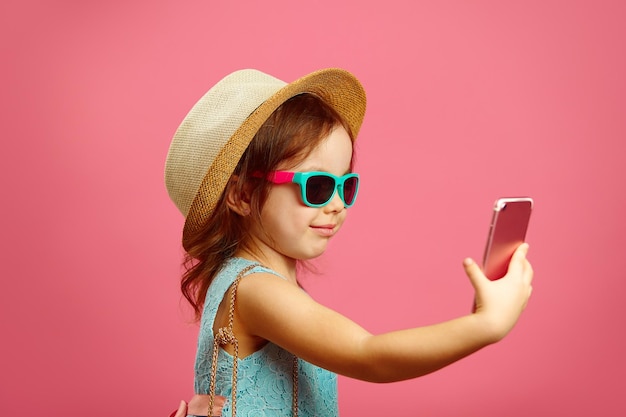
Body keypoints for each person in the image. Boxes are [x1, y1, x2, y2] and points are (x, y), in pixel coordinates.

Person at [164, 68, 533, 417]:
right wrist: (487, 325)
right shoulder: (254, 289)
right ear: (243, 195)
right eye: (318, 187)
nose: (337, 204)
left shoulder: (264, 286)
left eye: (346, 185)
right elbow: (367, 354)